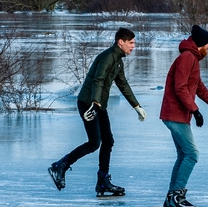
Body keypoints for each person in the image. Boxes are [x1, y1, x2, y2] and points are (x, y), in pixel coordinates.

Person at [49, 27, 147, 197]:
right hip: (89, 103)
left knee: (108, 141)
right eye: (131, 43)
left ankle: (103, 181)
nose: (133, 46)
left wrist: (136, 106)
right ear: (120, 42)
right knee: (95, 143)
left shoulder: (117, 60)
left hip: (98, 104)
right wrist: (94, 104)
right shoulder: (108, 57)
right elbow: (98, 80)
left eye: (134, 43)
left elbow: (122, 84)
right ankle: (60, 165)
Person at [160, 25, 208, 207]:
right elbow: (180, 87)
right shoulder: (187, 58)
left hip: (178, 114)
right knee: (191, 154)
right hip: (175, 114)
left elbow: (199, 87)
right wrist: (195, 110)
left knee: (184, 154)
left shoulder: (193, 59)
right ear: (200, 45)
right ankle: (176, 197)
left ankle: (171, 198)